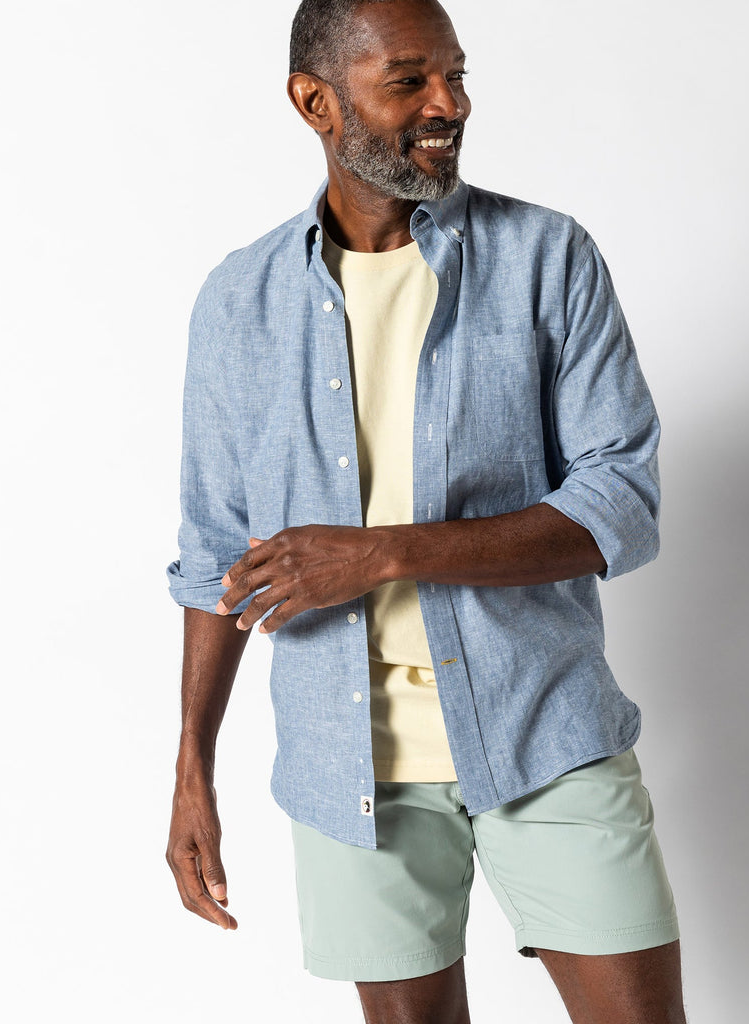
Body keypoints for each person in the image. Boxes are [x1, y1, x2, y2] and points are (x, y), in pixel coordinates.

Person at [165, 1, 686, 1020]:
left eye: (455, 75)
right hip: (346, 766)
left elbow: (619, 502)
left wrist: (383, 553)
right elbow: (214, 553)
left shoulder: (545, 258)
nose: (449, 104)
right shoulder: (240, 301)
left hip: (546, 734)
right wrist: (193, 765)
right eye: (409, 81)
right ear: (315, 102)